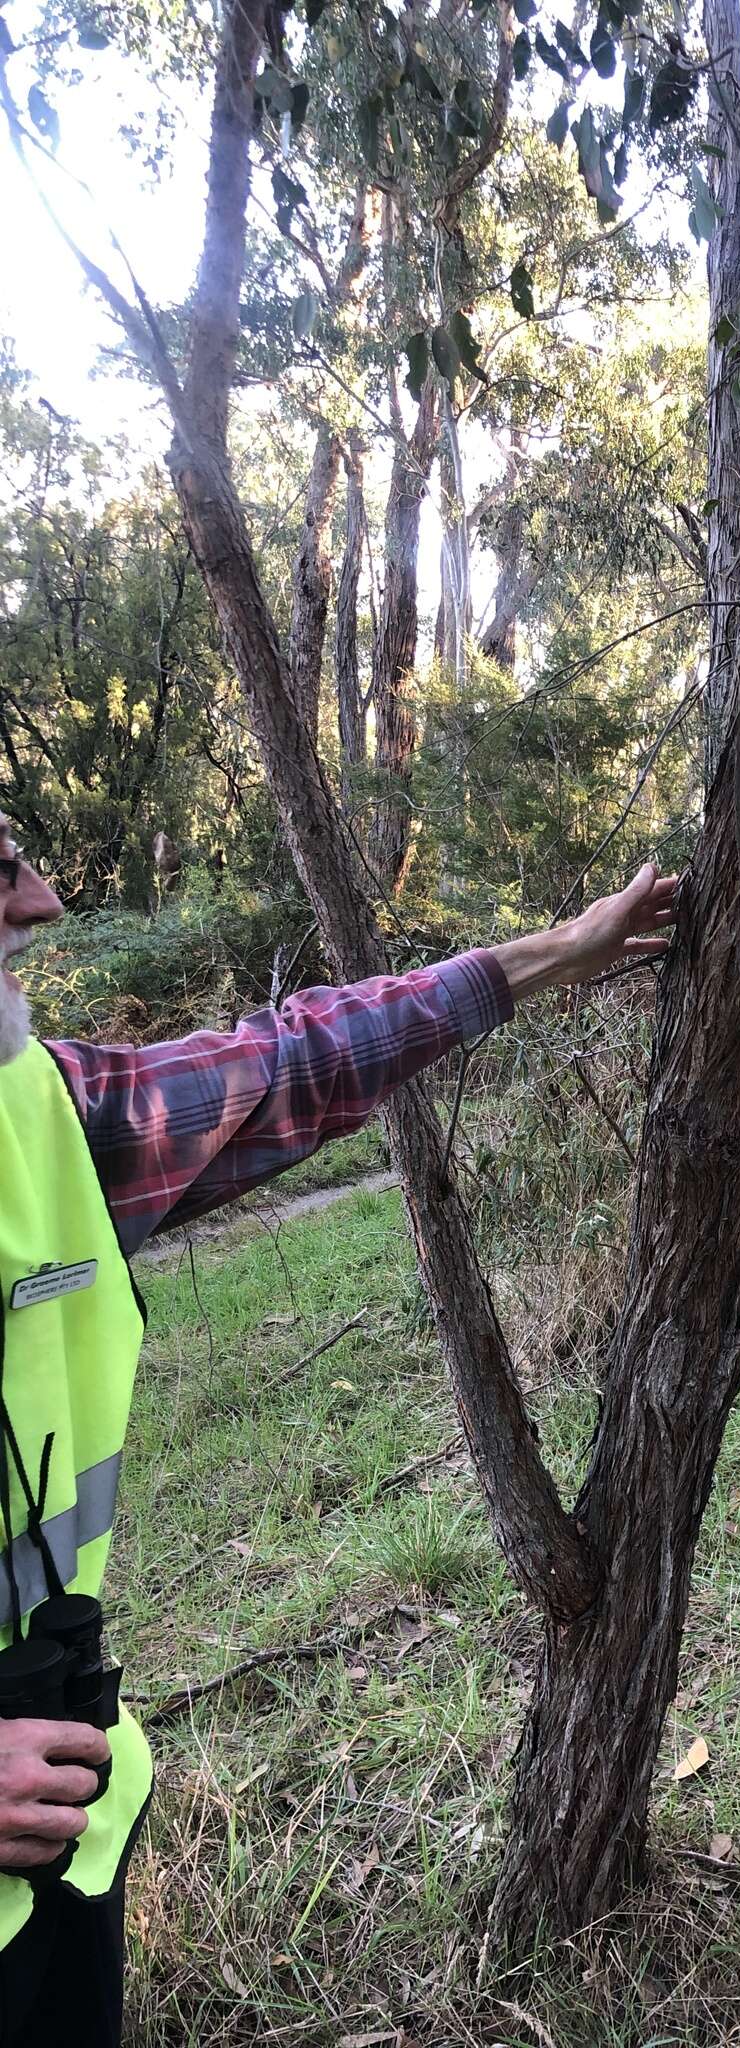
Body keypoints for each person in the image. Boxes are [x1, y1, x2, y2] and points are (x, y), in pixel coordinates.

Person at [0, 814, 676, 2044]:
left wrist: (558, 953)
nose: (42, 902)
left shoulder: (41, 1111)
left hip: (64, 1833)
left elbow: (294, 1062)